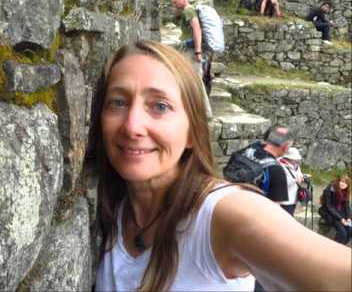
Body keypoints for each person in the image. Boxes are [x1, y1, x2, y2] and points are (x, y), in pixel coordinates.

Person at [88, 40, 351, 291]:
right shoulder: (114, 207)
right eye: (118, 102)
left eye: (159, 106)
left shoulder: (222, 214)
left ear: (192, 133)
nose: (132, 126)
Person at [171, 0, 212, 118]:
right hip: (188, 49)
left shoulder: (189, 10)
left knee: (195, 80)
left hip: (192, 51)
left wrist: (198, 52)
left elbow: (197, 30)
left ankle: (206, 112)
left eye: (176, 2)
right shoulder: (186, 11)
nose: (174, 5)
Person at [318, 175, 352, 245]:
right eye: (342, 181)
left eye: (346, 183)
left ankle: (342, 247)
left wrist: (349, 217)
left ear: (347, 186)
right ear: (339, 181)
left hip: (341, 213)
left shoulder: (345, 192)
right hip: (331, 213)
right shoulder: (330, 189)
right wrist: (341, 218)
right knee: (343, 233)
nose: (343, 184)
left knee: (350, 230)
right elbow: (329, 206)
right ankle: (334, 248)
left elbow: (347, 206)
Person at [278, 147, 304, 216]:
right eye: (295, 159)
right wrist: (295, 180)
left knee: (290, 216)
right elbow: (280, 184)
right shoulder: (280, 166)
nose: (297, 161)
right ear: (289, 159)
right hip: (284, 200)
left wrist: (301, 177)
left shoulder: (296, 166)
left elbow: (298, 174)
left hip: (293, 198)